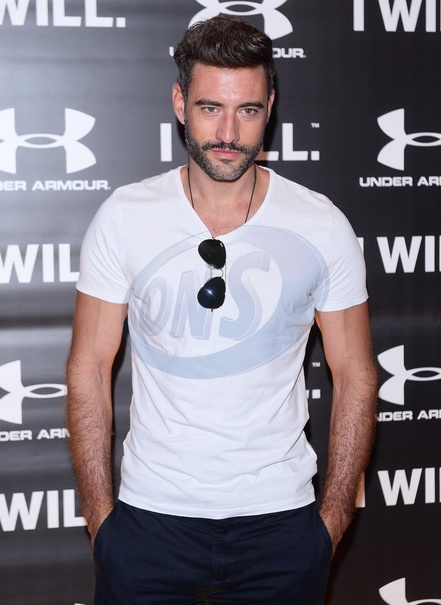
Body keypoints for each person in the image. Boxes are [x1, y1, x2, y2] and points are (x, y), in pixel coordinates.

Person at [66, 14, 378, 605]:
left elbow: (356, 373)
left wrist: (331, 522)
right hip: (149, 523)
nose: (229, 131)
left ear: (270, 108)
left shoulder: (321, 223)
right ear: (180, 103)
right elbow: (88, 365)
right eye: (211, 108)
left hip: (281, 524)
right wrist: (102, 521)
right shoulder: (125, 216)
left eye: (248, 110)